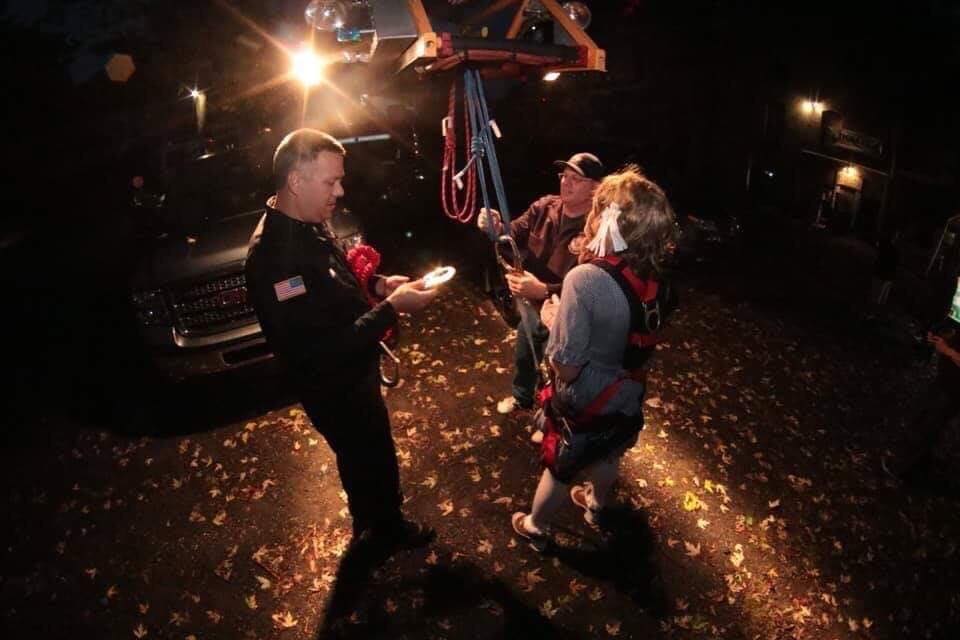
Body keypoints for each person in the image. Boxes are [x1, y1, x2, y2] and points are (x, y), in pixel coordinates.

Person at [245, 129, 439, 551]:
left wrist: (382, 285)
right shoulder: (277, 259)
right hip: (334, 387)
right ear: (297, 181)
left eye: (340, 179)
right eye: (330, 181)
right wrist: (393, 309)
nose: (341, 190)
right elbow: (317, 349)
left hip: (352, 374)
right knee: (368, 453)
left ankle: (368, 521)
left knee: (362, 454)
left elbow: (330, 286)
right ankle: (386, 528)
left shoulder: (304, 222)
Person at [510, 166, 678, 548]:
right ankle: (597, 504)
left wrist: (554, 320)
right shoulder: (654, 271)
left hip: (588, 392)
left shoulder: (584, 279)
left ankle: (536, 526)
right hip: (629, 384)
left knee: (562, 463)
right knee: (609, 448)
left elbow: (564, 366)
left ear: (606, 220)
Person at [477, 152, 605, 415]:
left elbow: (594, 281)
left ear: (595, 188)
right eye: (564, 176)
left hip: (569, 311)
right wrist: (495, 226)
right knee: (526, 350)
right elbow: (510, 235)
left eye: (576, 179)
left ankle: (552, 417)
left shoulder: (600, 228)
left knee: (561, 366)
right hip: (533, 302)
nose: (566, 183)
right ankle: (522, 397)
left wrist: (545, 290)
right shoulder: (544, 207)